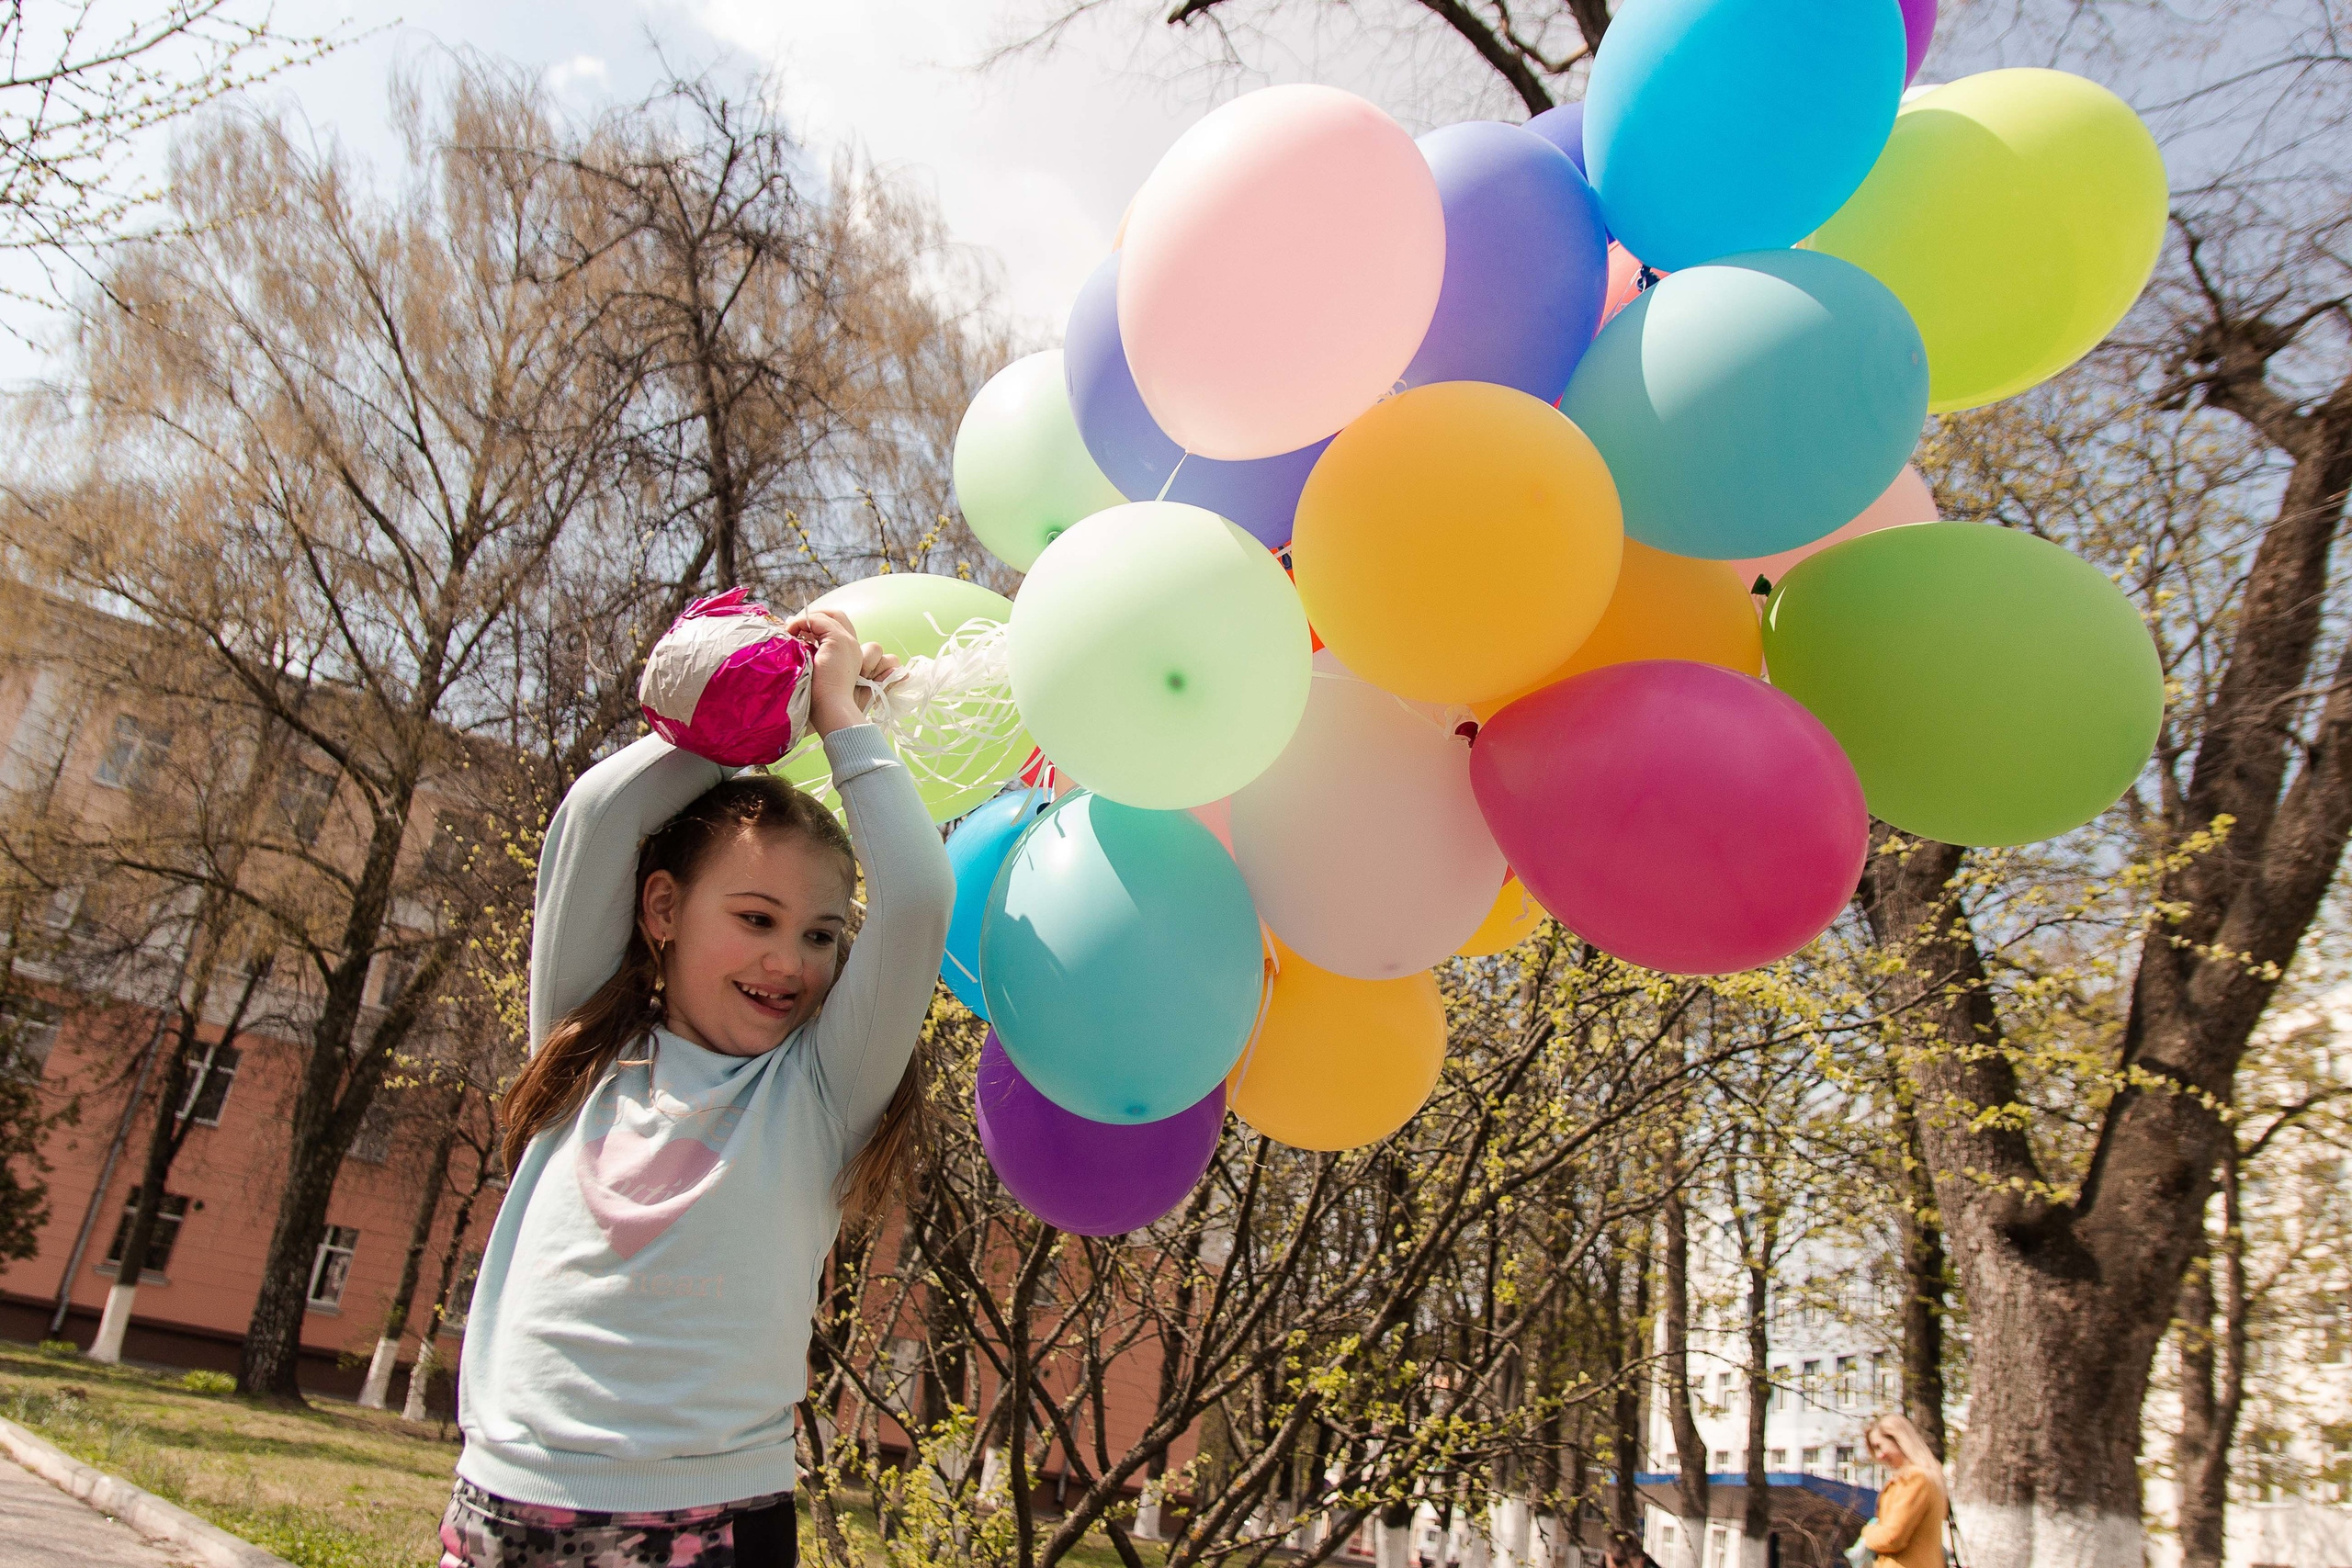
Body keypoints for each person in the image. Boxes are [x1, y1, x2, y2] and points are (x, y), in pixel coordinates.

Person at [436, 607, 954, 1568]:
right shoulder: (586, 1041)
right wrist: (776, 708)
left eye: (820, 934)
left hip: (703, 1524)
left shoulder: (816, 1093)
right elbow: (599, 816)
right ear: (664, 909)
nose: (788, 960)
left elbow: (918, 897)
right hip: (504, 1500)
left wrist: (845, 721)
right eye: (756, 917)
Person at [1857, 1413, 1950, 1568]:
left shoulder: (1914, 1479)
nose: (1879, 1456)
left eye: (1879, 1446)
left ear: (1898, 1439)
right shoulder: (1925, 1476)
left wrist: (1868, 1533)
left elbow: (1892, 1538)